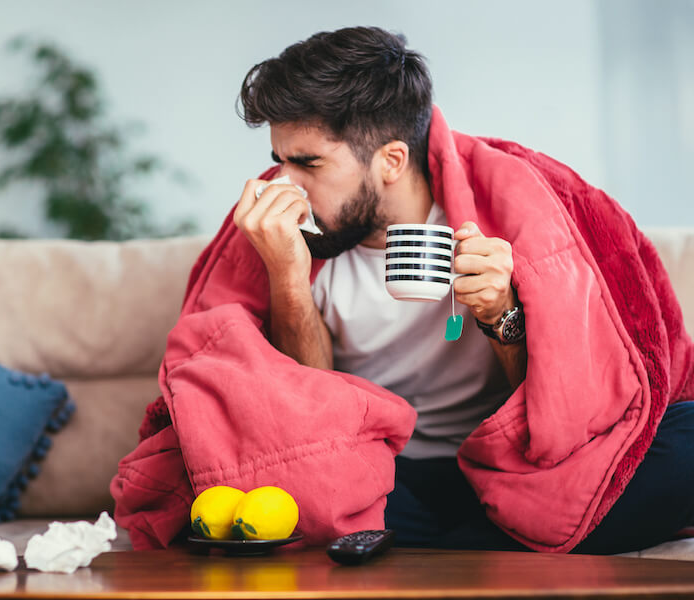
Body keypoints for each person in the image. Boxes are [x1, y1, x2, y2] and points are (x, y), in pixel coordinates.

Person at [229, 26, 694, 553]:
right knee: (277, 487)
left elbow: (559, 408)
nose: (283, 183)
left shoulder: (498, 217)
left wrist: (502, 313)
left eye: (307, 163)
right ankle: (497, 548)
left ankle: (445, 549)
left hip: (509, 466)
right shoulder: (299, 243)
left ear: (391, 161)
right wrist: (287, 277)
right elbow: (311, 425)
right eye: (279, 160)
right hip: (383, 479)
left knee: (689, 436)